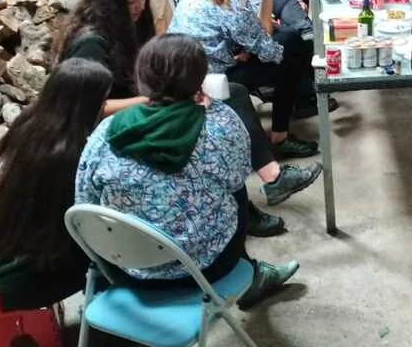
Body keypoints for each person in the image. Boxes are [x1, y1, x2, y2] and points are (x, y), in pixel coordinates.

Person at [76, 35, 301, 310]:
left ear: (141, 78)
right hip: (208, 270)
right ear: (200, 78)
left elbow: (84, 199)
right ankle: (251, 274)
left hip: (124, 270)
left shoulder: (106, 132)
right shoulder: (221, 123)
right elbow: (236, 177)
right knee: (236, 189)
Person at [169, 0, 324, 199]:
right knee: (290, 51)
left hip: (181, 64)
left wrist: (246, 43)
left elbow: (251, 27)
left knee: (288, 41)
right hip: (205, 77)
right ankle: (280, 138)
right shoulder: (231, 2)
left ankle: (280, 139)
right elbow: (269, 49)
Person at [0, 59, 112, 310]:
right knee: (111, 249)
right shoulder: (67, 153)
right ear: (87, 104)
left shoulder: (28, 124)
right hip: (23, 279)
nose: (104, 106)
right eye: (103, 101)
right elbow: (79, 226)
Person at [57, 0, 155, 115]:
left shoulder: (133, 24)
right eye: (131, 1)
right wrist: (149, 101)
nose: (140, 7)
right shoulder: (90, 43)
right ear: (110, 2)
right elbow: (88, 107)